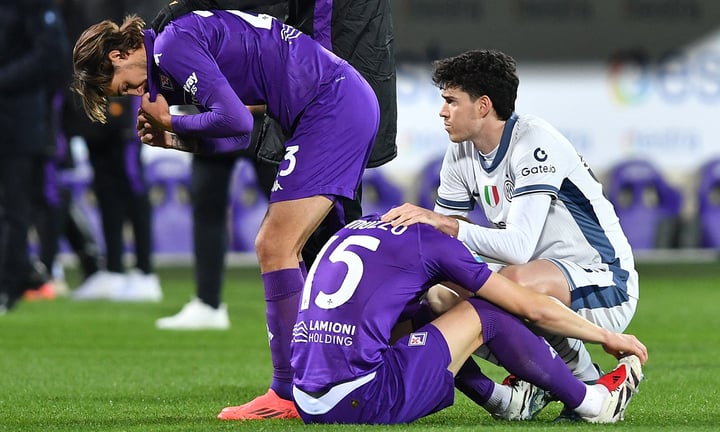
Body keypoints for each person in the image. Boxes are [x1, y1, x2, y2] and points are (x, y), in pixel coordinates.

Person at [71, 9, 379, 420]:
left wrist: (171, 120)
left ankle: (289, 393)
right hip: (332, 102)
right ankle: (413, 345)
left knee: (275, 245)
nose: (132, 94)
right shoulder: (172, 49)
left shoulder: (170, 46)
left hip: (329, 105)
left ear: (116, 55)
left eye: (123, 86)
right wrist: (174, 139)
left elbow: (234, 120)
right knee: (334, 251)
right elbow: (238, 136)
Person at [380, 49, 640, 420]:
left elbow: (517, 248)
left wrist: (449, 225)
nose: (442, 111)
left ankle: (587, 386)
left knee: (513, 281)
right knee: (439, 295)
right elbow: (440, 249)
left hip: (606, 283)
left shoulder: (534, 143)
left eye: (451, 101)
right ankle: (525, 392)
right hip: (542, 279)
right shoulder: (460, 153)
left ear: (483, 106)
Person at [151, 0, 397, 335]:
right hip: (303, 90)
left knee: (311, 234)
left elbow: (236, 122)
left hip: (322, 89)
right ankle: (329, 354)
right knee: (301, 236)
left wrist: (172, 122)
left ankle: (359, 343)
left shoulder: (182, 34)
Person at [291, 214, 645, 425]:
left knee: (420, 311)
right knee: (487, 312)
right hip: (361, 399)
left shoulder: (363, 227)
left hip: (306, 399)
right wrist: (604, 336)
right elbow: (530, 308)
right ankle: (593, 404)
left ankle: (508, 403)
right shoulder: (436, 244)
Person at [0, 0, 71, 313]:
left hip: (19, 120)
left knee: (16, 205)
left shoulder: (34, 5)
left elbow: (52, 56)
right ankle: (25, 273)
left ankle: (8, 285)